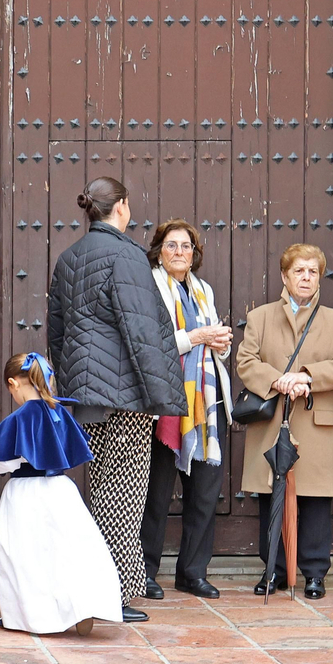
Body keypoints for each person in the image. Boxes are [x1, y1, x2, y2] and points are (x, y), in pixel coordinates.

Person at [46, 178, 187, 622]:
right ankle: (111, 594)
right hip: (126, 393)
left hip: (86, 391)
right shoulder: (126, 255)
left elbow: (57, 332)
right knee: (122, 493)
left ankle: (95, 587)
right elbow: (142, 330)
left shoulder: (70, 257)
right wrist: (162, 396)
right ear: (121, 206)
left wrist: (71, 385)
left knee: (102, 486)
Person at [235, 243, 333, 599]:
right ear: (285, 277)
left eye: (313, 272)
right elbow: (246, 362)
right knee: (271, 496)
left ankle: (315, 573)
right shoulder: (260, 318)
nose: (306, 278)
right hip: (273, 420)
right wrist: (277, 379)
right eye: (299, 271)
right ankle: (271, 569)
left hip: (317, 422)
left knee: (316, 500)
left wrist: (306, 376)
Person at [0, 353, 127, 635]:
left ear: (13, 383)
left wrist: (20, 457)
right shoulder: (59, 411)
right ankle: (83, 606)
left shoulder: (20, 417)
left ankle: (32, 617)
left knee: (23, 554)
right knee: (70, 549)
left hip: (25, 493)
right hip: (62, 492)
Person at [140, 220, 234, 601]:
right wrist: (197, 337)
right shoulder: (150, 286)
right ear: (159, 251)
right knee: (156, 493)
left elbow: (216, 348)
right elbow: (155, 342)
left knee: (204, 493)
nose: (180, 252)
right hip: (167, 402)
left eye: (187, 246)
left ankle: (192, 572)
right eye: (172, 245)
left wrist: (220, 342)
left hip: (206, 406)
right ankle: (143, 571)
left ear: (195, 254)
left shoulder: (202, 290)